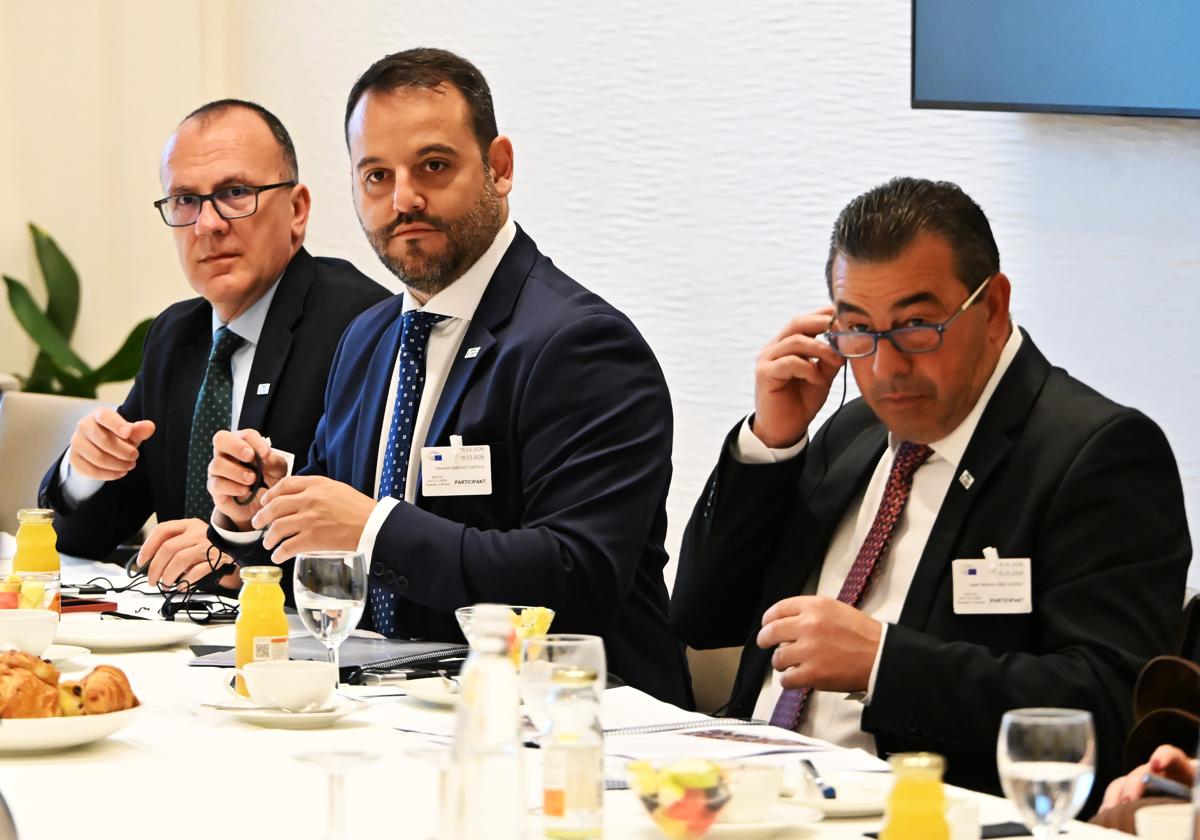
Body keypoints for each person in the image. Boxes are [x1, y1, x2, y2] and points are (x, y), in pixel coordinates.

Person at [670, 177, 1190, 805]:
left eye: (916, 325)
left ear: (992, 308)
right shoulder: (855, 432)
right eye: (858, 329)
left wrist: (883, 663)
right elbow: (702, 618)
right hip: (756, 791)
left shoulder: (1095, 453)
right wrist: (770, 445)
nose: (885, 368)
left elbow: (1109, 703)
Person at [206, 49, 690, 706]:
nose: (403, 199)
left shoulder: (581, 344)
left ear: (500, 167)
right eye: (377, 176)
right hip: (395, 710)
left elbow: (577, 574)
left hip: (571, 720)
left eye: (433, 166)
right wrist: (258, 510)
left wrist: (372, 528)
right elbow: (328, 558)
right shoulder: (366, 339)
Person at [38, 100, 388, 590]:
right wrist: (85, 470)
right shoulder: (175, 336)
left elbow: (373, 534)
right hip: (181, 627)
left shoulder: (363, 328)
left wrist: (239, 555)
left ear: (297, 209)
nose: (208, 224)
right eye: (185, 200)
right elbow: (86, 537)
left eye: (235, 193)